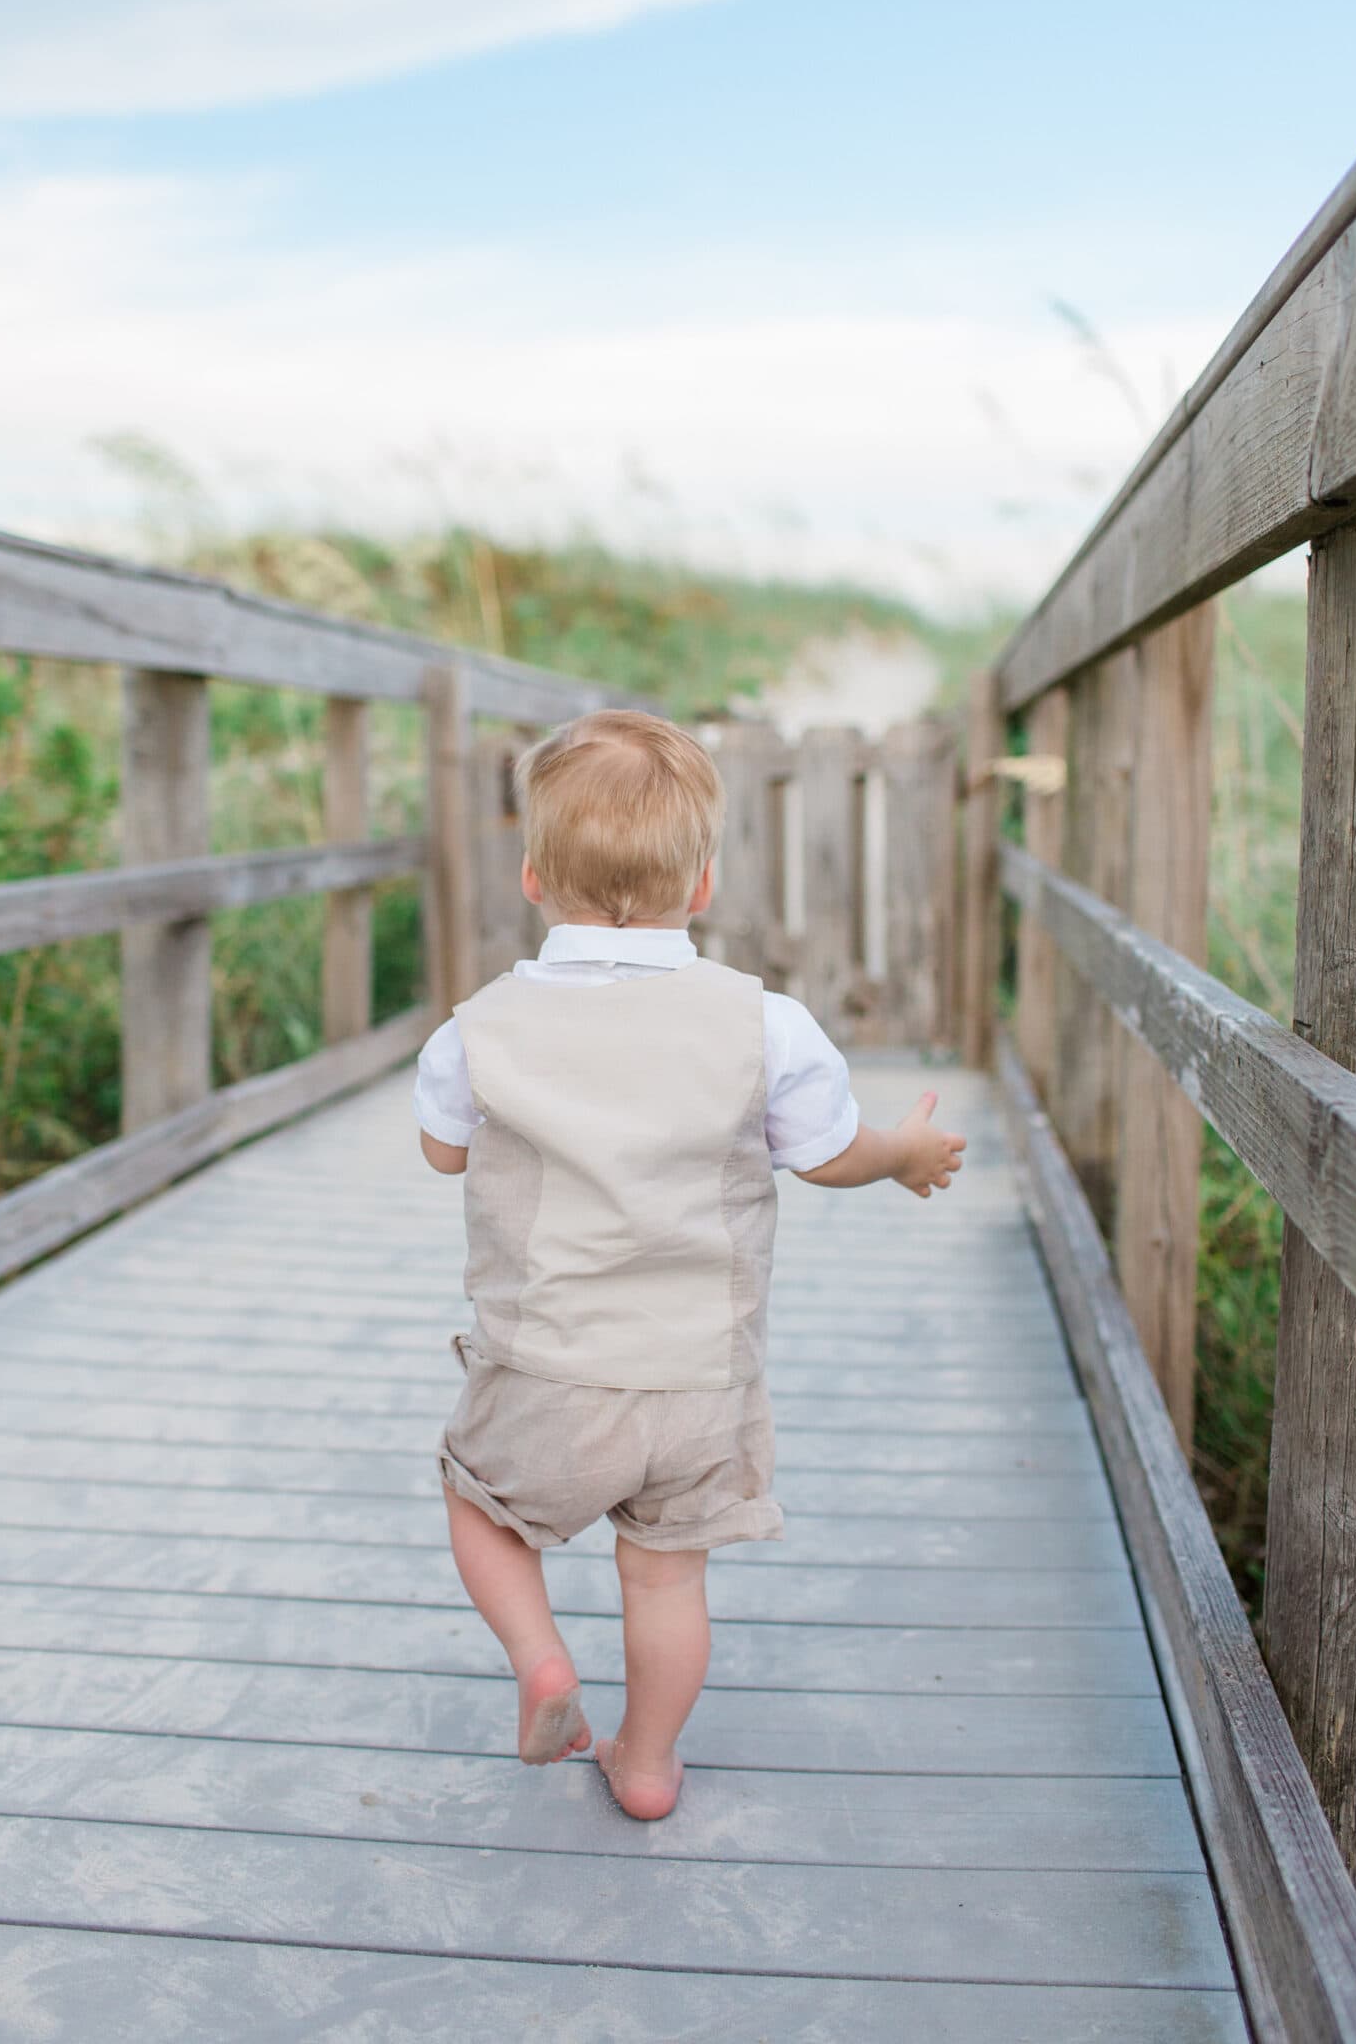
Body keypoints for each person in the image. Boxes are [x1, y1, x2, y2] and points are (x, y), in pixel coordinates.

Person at [414, 710, 965, 1820]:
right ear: (702, 885)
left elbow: (442, 1151)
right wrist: (903, 1153)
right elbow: (826, 1155)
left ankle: (541, 1662)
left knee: (480, 1510)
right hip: (702, 1380)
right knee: (666, 1579)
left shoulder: (478, 1028)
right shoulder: (763, 1024)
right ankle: (651, 1764)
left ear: (530, 874)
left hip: (549, 1370)